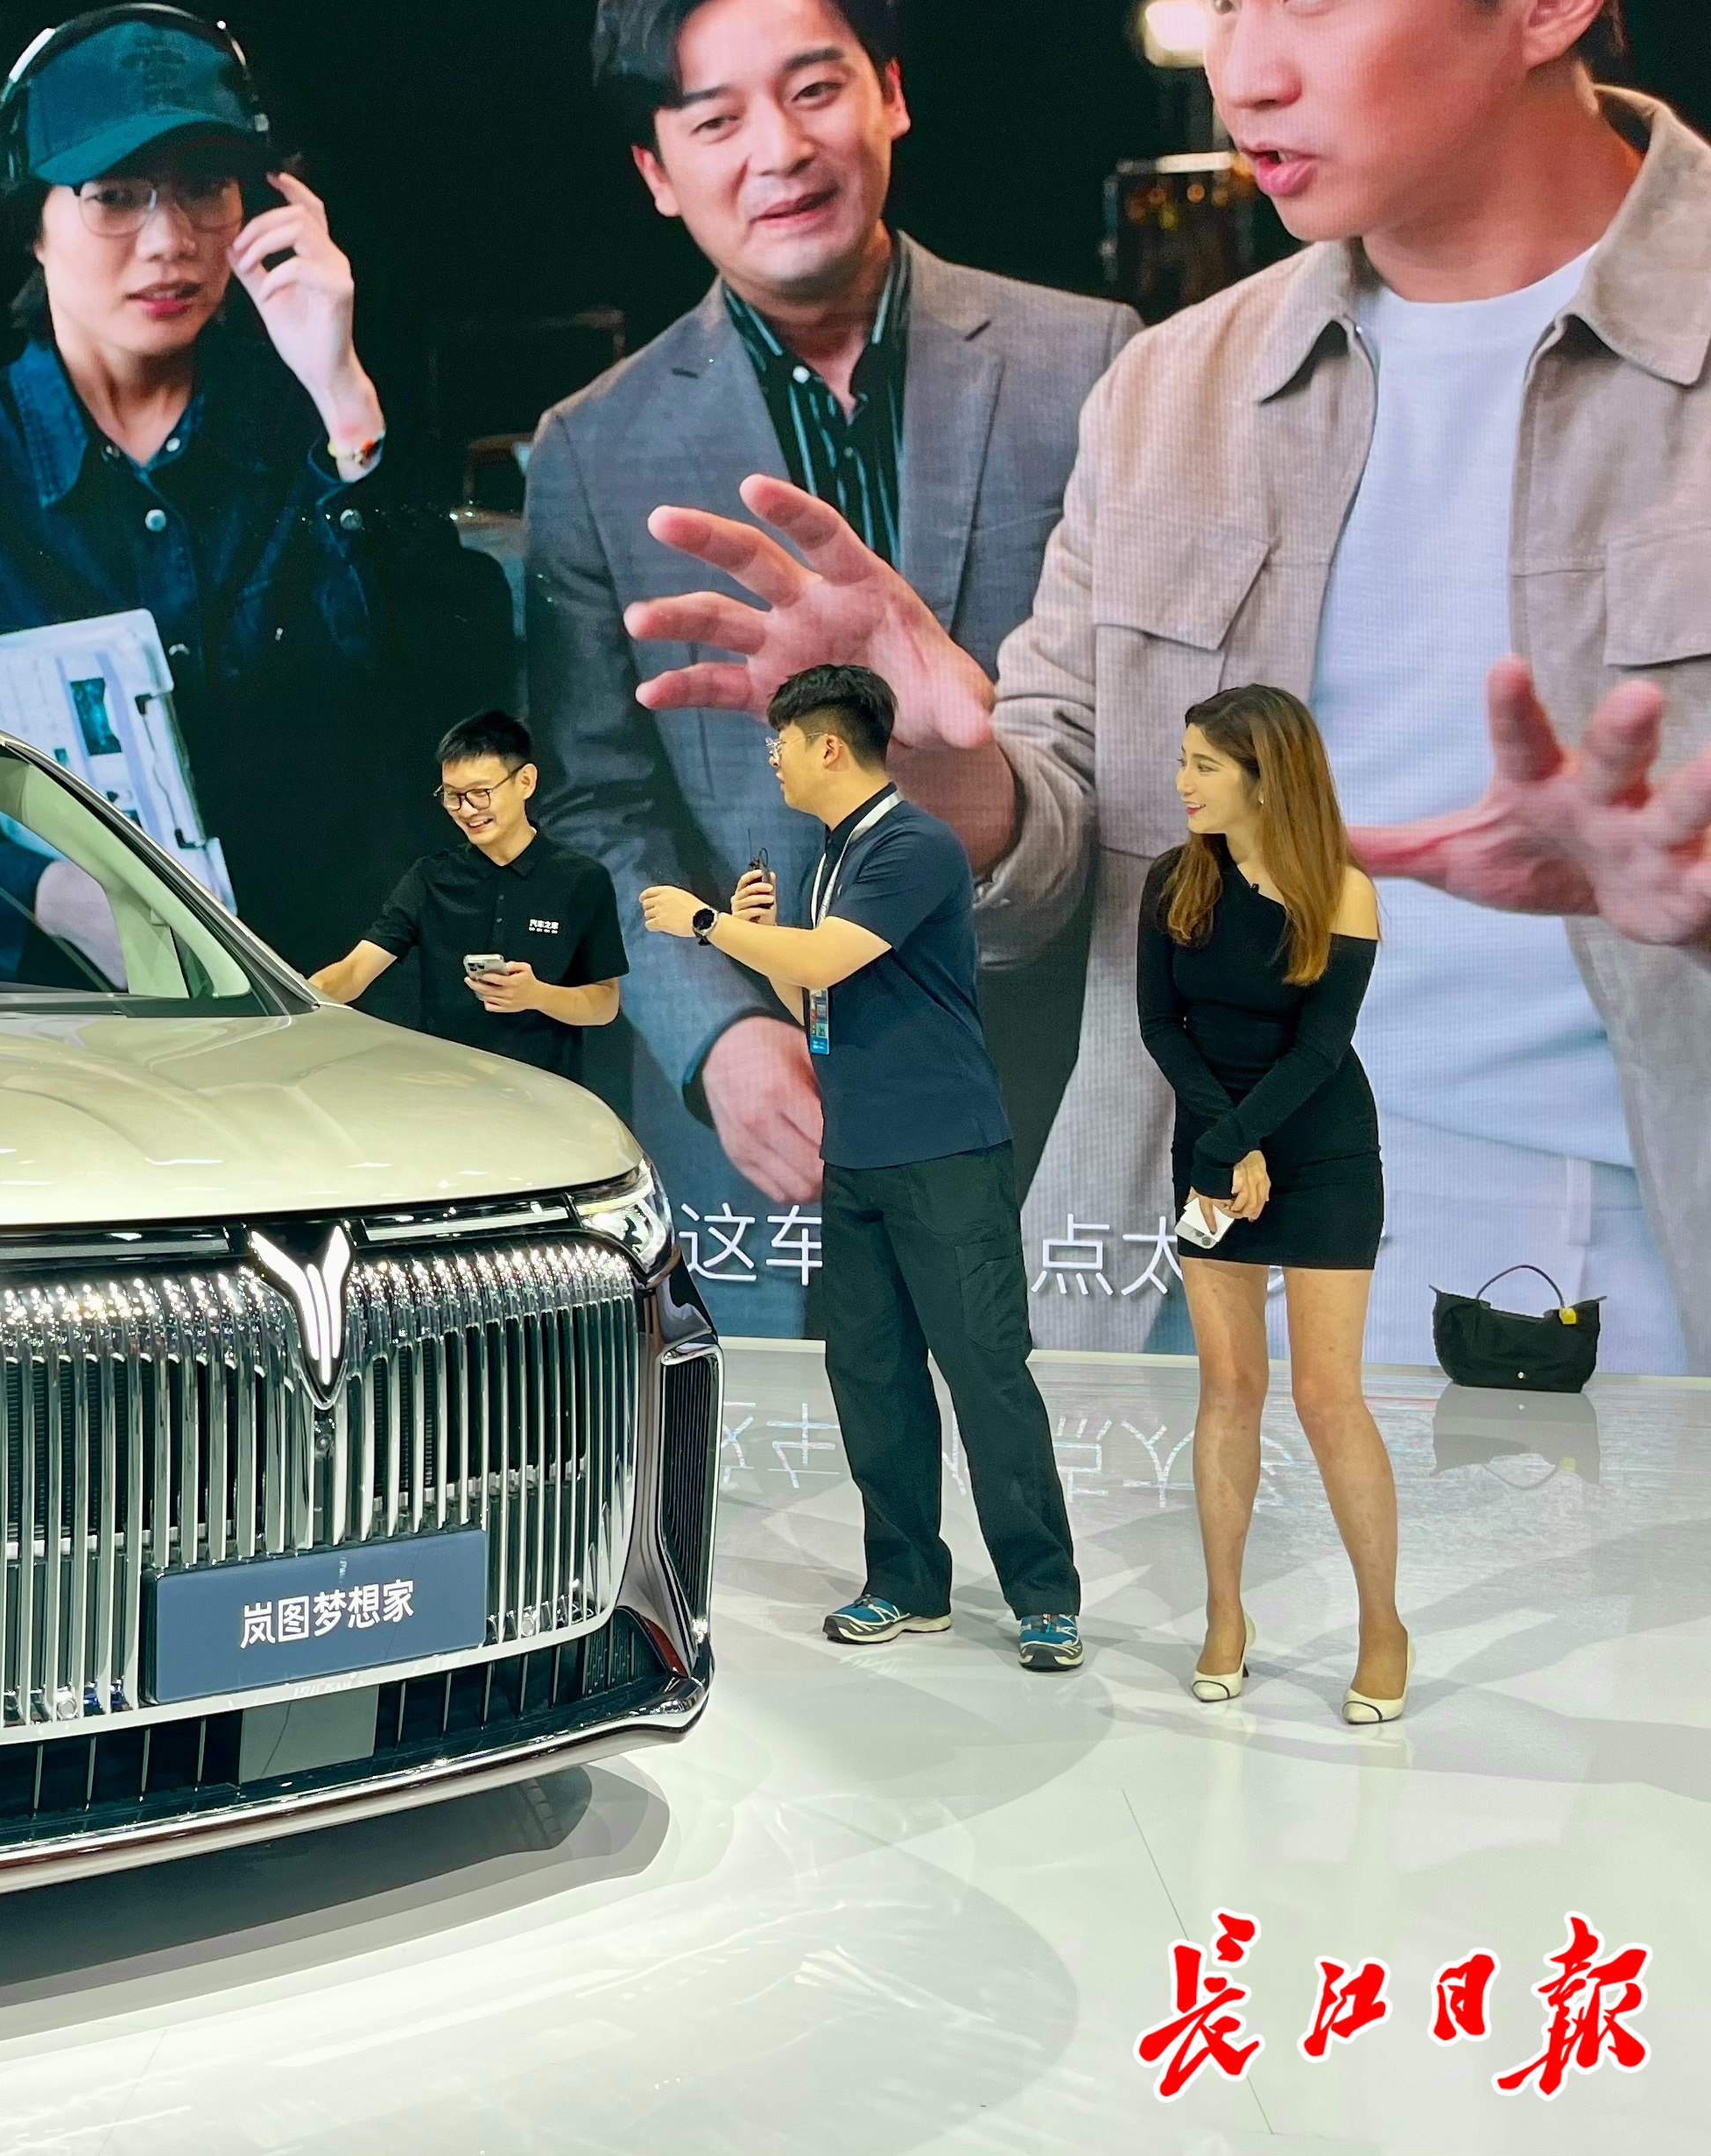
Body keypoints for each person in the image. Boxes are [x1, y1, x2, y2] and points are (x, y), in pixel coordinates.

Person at [605, 0, 1710, 1377]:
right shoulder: (1177, 390)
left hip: (1640, 1272)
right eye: (1219, 3)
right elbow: (1060, 846)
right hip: (1181, 1267)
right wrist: (931, 769)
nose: (1245, 74)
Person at [525, 0, 1138, 1337]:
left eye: (815, 89)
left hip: (1051, 1093)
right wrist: (718, 1035)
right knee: (769, 1478)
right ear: (657, 172)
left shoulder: (1096, 368)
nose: (780, 149)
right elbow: (595, 809)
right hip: (763, 1138)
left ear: (892, 94)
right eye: (716, 119)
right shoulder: (590, 450)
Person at [0, 5, 503, 979]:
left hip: (327, 1015)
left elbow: (457, 722)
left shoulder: (321, 446)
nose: (170, 241)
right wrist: (33, 893)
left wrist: (343, 398)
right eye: (115, 196)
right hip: (33, 1036)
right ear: (26, 222)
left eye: (205, 187)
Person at [638, 665, 1084, 1669]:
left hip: (945, 1157)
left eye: (783, 741)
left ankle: (1043, 1596)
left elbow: (824, 962)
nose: (772, 759)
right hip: (858, 1158)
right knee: (871, 1376)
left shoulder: (911, 843)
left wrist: (708, 922)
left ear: (829, 745)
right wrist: (762, 939)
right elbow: (816, 1004)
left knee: (983, 1374)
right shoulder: (833, 859)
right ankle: (905, 1582)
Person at [1137, 686, 1406, 1721]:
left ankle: (1381, 1626)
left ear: (1264, 776)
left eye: (1202, 763)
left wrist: (1239, 1140)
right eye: (1183, 758)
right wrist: (1219, 1143)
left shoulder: (1339, 888)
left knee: (1326, 1396)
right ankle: (1223, 1615)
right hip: (1213, 1144)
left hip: (1320, 1150)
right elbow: (1160, 1024)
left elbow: (1320, 1044)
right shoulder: (1172, 880)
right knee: (1226, 1386)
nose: (1182, 781)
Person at [311, 710, 626, 1080]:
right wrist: (301, 997)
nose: (466, 810)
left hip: (544, 1092)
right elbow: (354, 971)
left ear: (525, 781)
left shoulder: (581, 880)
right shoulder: (430, 878)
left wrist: (536, 995)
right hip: (446, 1090)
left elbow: (604, 1003)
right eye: (453, 796)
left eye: (480, 793)